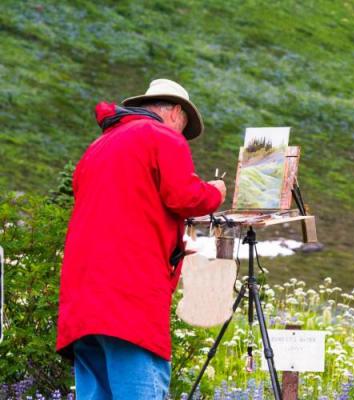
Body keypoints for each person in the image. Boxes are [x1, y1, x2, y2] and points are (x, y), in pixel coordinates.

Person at [56, 79, 226, 399]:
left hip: (81, 304)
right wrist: (214, 192)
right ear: (176, 112)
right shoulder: (161, 136)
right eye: (183, 126)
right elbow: (185, 196)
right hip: (128, 300)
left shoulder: (97, 148)